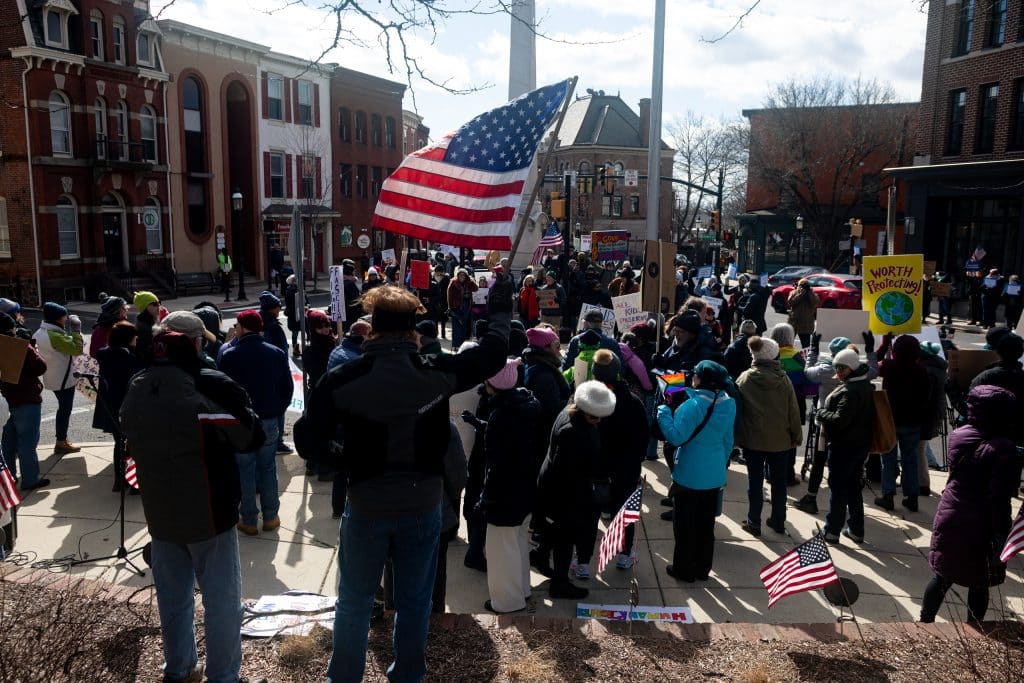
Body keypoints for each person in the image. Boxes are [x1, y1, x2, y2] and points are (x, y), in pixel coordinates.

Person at [294, 280, 512, 683]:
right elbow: (493, 355)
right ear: (413, 330)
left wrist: (348, 462)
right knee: (414, 603)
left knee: (354, 603)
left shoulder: (343, 378)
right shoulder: (435, 371)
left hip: (367, 503)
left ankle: (344, 678)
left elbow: (306, 440)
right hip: (422, 504)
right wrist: (500, 308)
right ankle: (407, 675)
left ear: (372, 327)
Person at [119, 329, 266, 683]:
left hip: (159, 513)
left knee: (173, 599)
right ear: (194, 349)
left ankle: (180, 669)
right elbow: (250, 436)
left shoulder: (136, 388)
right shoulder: (203, 387)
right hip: (209, 513)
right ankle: (223, 676)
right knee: (222, 602)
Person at [920, 385, 1021, 623]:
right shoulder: (1004, 449)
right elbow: (1000, 496)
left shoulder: (960, 434)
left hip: (951, 511)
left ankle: (925, 622)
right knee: (980, 581)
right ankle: (974, 629)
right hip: (982, 521)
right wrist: (1001, 532)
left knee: (942, 576)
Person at [472, 358, 542, 614]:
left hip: (504, 493)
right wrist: (482, 426)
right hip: (525, 489)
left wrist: (485, 499)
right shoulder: (526, 406)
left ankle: (506, 601)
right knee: (517, 543)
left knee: (501, 551)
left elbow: (496, 465)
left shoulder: (501, 415)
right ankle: (521, 589)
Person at [656, 361, 737, 582]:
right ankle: (702, 569)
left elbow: (676, 437)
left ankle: (683, 569)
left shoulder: (691, 406)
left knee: (684, 526)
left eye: (695, 374)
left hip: (689, 475)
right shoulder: (729, 404)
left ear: (701, 379)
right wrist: (719, 463)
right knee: (706, 525)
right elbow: (728, 441)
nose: (692, 377)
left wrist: (663, 411)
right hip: (714, 474)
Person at [535, 380, 616, 599]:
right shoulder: (573, 433)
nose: (598, 421)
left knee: (553, 530)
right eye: (594, 417)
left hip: (555, 485)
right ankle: (559, 583)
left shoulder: (569, 410)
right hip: (565, 493)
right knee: (565, 538)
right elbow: (567, 473)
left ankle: (541, 556)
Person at [218, 310, 293, 536]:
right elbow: (287, 388)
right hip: (268, 419)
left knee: (245, 470)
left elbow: (223, 391)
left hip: (241, 421)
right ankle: (271, 516)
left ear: (241, 327)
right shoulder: (276, 353)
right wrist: (277, 410)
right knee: (268, 467)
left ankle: (249, 519)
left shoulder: (229, 355)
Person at [795, 333, 878, 514]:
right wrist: (870, 350)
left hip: (825, 422)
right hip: (851, 425)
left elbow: (807, 372)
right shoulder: (861, 373)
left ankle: (811, 496)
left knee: (819, 460)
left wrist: (813, 350)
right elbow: (874, 370)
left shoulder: (824, 369)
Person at [736, 337, 802, 537]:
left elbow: (738, 410)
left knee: (755, 483)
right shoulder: (783, 380)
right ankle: (778, 521)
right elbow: (793, 411)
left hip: (753, 441)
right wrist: (796, 435)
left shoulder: (744, 379)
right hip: (780, 441)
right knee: (779, 483)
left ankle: (753, 522)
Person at [592, 351, 649, 568]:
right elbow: (644, 435)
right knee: (625, 511)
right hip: (627, 468)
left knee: (590, 512)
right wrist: (637, 460)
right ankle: (625, 553)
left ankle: (582, 560)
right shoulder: (633, 402)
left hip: (599, 467)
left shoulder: (590, 401)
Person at [816, 348, 875, 544]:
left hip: (844, 447)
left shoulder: (850, 391)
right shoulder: (864, 385)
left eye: (842, 368)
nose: (838, 372)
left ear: (851, 367)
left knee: (838, 489)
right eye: (836, 367)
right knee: (853, 488)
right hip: (860, 445)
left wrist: (821, 413)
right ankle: (856, 529)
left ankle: (832, 531)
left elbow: (839, 420)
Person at [875, 334, 930, 513]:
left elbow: (872, 366)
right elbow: (926, 397)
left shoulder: (889, 366)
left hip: (890, 420)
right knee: (910, 459)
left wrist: (884, 345)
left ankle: (888, 495)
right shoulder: (921, 370)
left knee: (888, 459)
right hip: (913, 421)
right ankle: (912, 497)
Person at [93, 322, 144, 492]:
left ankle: (120, 480)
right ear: (128, 338)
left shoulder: (105, 354)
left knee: (119, 443)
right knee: (134, 444)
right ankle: (134, 483)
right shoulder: (128, 358)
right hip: (128, 405)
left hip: (110, 405)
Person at [0, 312, 48, 490]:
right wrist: (28, 346)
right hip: (26, 398)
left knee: (7, 443)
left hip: (5, 399)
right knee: (27, 442)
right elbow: (41, 366)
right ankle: (30, 479)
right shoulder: (18, 346)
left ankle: (9, 477)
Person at [33, 302, 84, 454]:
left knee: (63, 408)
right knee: (65, 410)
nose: (66, 318)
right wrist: (76, 330)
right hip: (63, 379)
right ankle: (61, 442)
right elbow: (77, 349)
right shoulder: (55, 336)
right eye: (64, 316)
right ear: (57, 319)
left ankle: (62, 440)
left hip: (52, 376)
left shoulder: (39, 332)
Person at [918, 341, 950, 487]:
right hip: (935, 411)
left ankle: (922, 484)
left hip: (927, 414)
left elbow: (925, 397)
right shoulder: (939, 367)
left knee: (918, 449)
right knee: (921, 448)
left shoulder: (928, 370)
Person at [303, 309, 337, 389]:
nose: (325, 329)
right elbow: (315, 374)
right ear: (313, 328)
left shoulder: (333, 340)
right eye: (320, 326)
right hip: (322, 388)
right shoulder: (310, 350)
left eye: (327, 325)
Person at [447, 268, 478, 349]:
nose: (462, 276)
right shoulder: (453, 282)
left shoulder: (468, 282)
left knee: (464, 326)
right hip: (456, 306)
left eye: (464, 275)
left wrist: (471, 280)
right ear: (458, 275)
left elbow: (476, 288)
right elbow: (449, 295)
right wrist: (450, 307)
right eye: (460, 275)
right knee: (456, 326)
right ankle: (455, 345)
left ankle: (462, 345)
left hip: (466, 305)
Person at [787, 279, 820, 348]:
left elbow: (815, 303)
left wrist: (809, 293)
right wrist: (800, 295)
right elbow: (790, 302)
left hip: (806, 324)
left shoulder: (812, 295)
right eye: (802, 286)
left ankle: (805, 355)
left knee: (805, 346)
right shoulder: (793, 293)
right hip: (794, 322)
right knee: (788, 343)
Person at [133, 291, 161, 364]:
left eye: (159, 303)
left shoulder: (150, 321)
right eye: (155, 304)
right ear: (144, 307)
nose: (159, 306)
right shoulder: (144, 328)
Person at [424, 265, 450, 339]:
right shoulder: (432, 279)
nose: (439, 273)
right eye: (437, 271)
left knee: (443, 317)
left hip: (443, 300)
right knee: (435, 318)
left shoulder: (446, 279)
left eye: (440, 272)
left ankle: (443, 332)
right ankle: (436, 332)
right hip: (434, 302)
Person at [284, 274, 302, 357]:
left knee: (295, 333)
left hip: (293, 314)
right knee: (296, 332)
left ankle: (295, 349)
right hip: (295, 313)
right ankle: (296, 349)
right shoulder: (294, 290)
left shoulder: (289, 290)